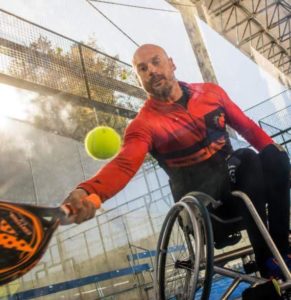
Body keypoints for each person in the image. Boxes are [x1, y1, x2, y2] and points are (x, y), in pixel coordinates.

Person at [63, 44, 290, 279]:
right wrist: (88, 191)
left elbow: (249, 129)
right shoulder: (144, 124)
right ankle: (268, 262)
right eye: (143, 68)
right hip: (207, 205)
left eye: (155, 62)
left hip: (241, 182)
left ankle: (281, 252)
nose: (151, 70)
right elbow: (124, 164)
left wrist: (282, 166)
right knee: (249, 159)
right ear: (139, 78)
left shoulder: (211, 93)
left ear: (171, 64)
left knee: (276, 154)